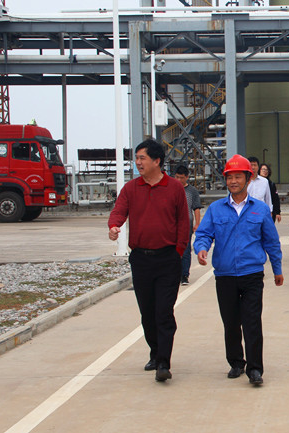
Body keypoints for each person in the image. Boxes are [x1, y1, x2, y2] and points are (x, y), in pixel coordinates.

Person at [194, 154, 283, 386]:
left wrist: (277, 268)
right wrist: (201, 248)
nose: (233, 181)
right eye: (229, 177)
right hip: (225, 275)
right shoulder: (216, 209)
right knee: (231, 322)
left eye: (238, 177)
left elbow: (271, 241)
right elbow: (204, 233)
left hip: (252, 274)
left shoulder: (260, 210)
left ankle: (255, 369)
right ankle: (236, 362)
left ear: (248, 178)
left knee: (252, 322)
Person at [108, 139, 189, 382]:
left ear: (156, 161)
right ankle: (155, 352)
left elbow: (183, 222)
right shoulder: (131, 188)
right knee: (147, 312)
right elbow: (119, 210)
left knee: (164, 311)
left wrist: (178, 251)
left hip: (167, 259)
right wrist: (114, 226)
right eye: (136, 158)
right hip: (141, 260)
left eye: (142, 158)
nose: (138, 162)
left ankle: (163, 362)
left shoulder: (174, 188)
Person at [174, 165, 203, 286]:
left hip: (186, 225)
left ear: (187, 177)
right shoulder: (171, 189)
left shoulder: (192, 191)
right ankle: (174, 274)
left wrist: (197, 224)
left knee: (185, 250)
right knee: (172, 251)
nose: (179, 180)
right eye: (177, 177)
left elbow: (196, 208)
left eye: (181, 177)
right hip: (171, 225)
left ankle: (184, 275)